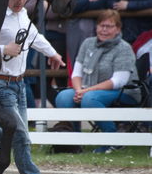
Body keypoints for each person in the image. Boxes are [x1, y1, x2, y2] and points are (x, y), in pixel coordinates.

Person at [0, 0, 65, 174]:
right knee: (21, 136)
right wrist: (3, 49)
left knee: (19, 135)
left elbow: (34, 36)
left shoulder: (22, 14)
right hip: (0, 84)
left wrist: (53, 54)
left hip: (19, 84)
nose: (20, 2)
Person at [55, 9, 141, 153]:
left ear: (118, 29)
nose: (104, 30)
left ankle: (113, 141)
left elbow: (119, 81)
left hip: (123, 92)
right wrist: (78, 91)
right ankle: (74, 142)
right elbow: (76, 73)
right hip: (87, 89)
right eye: (101, 25)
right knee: (63, 97)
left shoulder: (123, 48)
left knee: (89, 99)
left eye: (109, 26)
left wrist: (86, 91)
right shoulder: (88, 43)